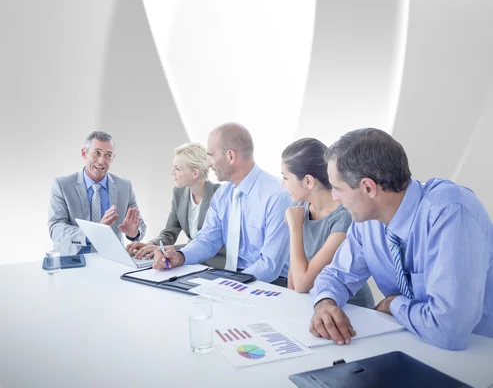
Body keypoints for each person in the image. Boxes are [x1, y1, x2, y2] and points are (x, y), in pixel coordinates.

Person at [310, 128, 493, 351]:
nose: (335, 198)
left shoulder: (451, 211)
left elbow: (449, 330)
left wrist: (394, 303)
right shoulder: (366, 222)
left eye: (338, 189)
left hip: (477, 355)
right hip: (412, 343)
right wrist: (325, 304)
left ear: (368, 187)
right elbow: (336, 275)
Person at [153, 123, 292, 284]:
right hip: (231, 279)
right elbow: (207, 240)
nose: (208, 164)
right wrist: (181, 256)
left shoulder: (277, 195)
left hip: (272, 284)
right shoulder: (222, 195)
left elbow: (270, 266)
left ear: (230, 156)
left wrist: (228, 284)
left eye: (211, 155)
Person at [281, 137, 374, 307]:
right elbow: (294, 281)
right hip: (311, 302)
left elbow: (303, 283)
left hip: (348, 309)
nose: (283, 185)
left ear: (308, 181)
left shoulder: (344, 218)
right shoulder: (300, 207)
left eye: (286, 178)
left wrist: (295, 228)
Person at [126, 142, 224, 267]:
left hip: (214, 265)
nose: (172, 172)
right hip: (190, 264)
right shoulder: (179, 192)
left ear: (195, 173)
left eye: (177, 168)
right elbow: (169, 232)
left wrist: (173, 249)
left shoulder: (220, 195)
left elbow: (210, 244)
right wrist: (153, 245)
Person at [48, 131, 146, 253]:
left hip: (113, 261)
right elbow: (55, 229)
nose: (101, 161)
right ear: (84, 153)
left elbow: (140, 226)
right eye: (97, 153)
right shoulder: (62, 185)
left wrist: (134, 233)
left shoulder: (125, 186)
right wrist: (93, 233)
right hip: (74, 263)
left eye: (108, 155)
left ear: (113, 158)